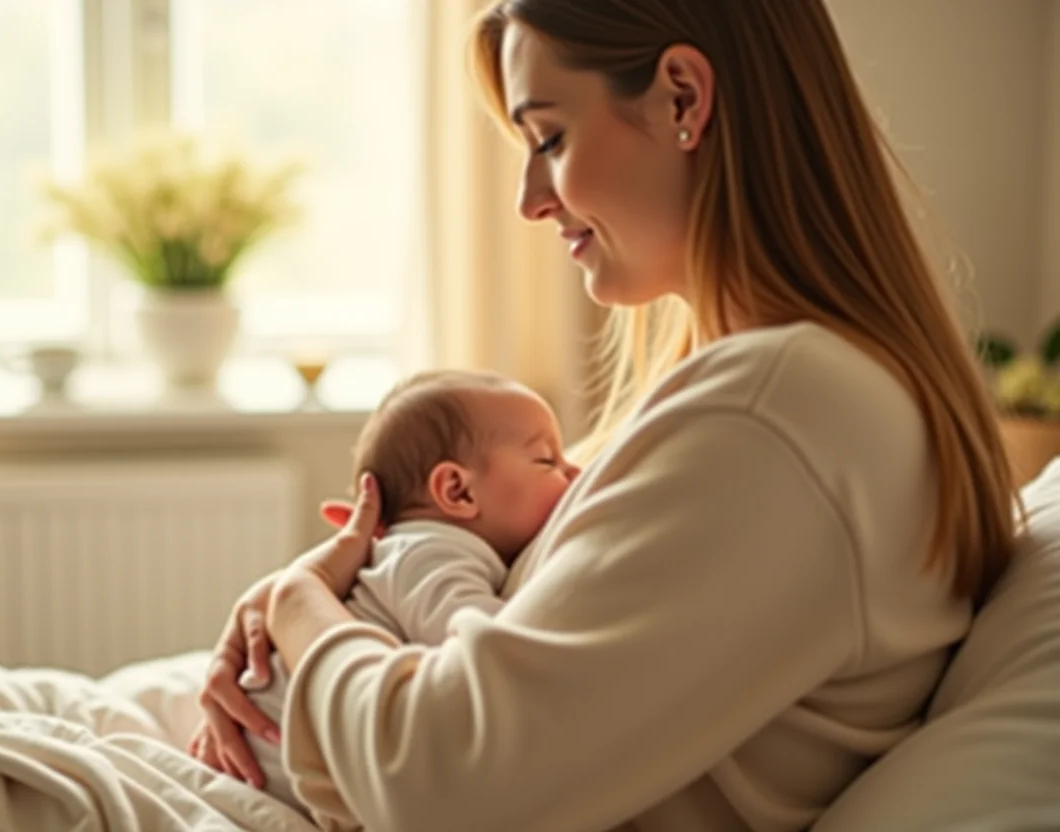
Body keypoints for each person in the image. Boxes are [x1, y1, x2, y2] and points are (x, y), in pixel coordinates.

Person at [189, 2, 1020, 830]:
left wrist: (300, 606)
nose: (527, 200)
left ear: (684, 100)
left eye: (549, 139)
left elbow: (444, 783)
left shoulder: (774, 417)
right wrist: (287, 609)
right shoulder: (766, 397)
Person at [199, 369, 578, 813]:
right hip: (280, 768)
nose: (573, 472)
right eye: (548, 461)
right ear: (456, 490)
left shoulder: (412, 552)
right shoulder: (431, 555)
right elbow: (488, 655)